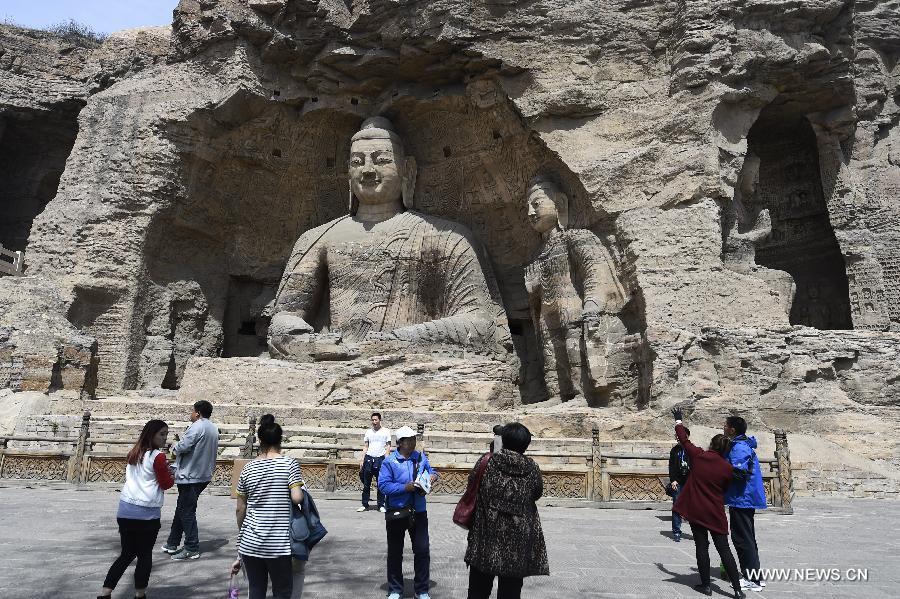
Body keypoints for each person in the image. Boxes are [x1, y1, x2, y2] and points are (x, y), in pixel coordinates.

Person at [465, 423, 549, 599]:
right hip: (517, 545)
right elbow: (537, 493)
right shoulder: (532, 468)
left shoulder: (486, 461)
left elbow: (472, 484)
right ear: (526, 444)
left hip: (485, 538)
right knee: (510, 593)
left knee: (477, 592)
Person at [671, 408, 745, 599]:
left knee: (701, 547)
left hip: (697, 511)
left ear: (712, 445)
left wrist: (679, 420)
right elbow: (727, 488)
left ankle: (706, 586)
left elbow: (684, 440)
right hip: (715, 513)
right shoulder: (727, 468)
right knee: (724, 549)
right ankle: (737, 589)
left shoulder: (699, 456)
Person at [98, 420, 174, 599]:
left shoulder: (134, 453)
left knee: (126, 554)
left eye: (166, 434)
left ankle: (106, 592)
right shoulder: (158, 456)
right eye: (162, 434)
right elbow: (165, 483)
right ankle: (140, 594)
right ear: (151, 435)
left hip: (125, 510)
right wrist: (172, 475)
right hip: (147, 513)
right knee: (145, 555)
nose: (165, 438)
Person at [232, 414, 305, 599]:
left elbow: (240, 508)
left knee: (256, 591)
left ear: (259, 440)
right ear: (280, 440)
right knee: (282, 591)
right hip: (279, 543)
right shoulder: (289, 464)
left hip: (251, 542)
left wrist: (242, 534)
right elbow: (297, 498)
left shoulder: (248, 468)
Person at [377, 425, 438, 599]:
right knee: (395, 552)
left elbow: (432, 471)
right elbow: (383, 486)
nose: (413, 443)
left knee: (422, 550)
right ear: (400, 443)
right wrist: (406, 487)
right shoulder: (389, 462)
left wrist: (433, 476)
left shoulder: (420, 457)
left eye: (414, 439)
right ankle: (395, 589)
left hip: (418, 511)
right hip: (398, 511)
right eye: (409, 440)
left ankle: (422, 589)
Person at [162, 400, 220, 560]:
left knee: (186, 510)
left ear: (198, 413)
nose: (191, 414)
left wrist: (174, 446)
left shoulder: (197, 426)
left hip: (191, 475)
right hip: (203, 474)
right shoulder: (213, 428)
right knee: (182, 507)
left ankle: (191, 546)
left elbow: (184, 446)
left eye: (192, 411)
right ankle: (172, 542)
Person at [724, 416, 767, 592]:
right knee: (747, 538)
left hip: (742, 498)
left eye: (725, 426)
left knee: (742, 539)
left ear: (733, 429)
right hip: (742, 498)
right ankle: (755, 576)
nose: (724, 428)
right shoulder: (742, 445)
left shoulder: (740, 447)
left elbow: (739, 473)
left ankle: (752, 580)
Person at [358, 412, 391, 513]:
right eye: (372, 420)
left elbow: (388, 447)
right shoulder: (368, 432)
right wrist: (362, 459)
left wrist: (387, 461)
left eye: (376, 420)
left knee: (380, 483)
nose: (374, 422)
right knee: (366, 483)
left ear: (380, 420)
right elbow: (366, 446)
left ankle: (381, 505)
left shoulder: (386, 431)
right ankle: (365, 504)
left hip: (380, 459)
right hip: (369, 458)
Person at [668, 426, 691, 542]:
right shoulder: (675, 450)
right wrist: (673, 480)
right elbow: (671, 467)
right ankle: (676, 531)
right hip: (678, 483)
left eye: (679, 435)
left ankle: (698, 531)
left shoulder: (691, 449)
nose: (677, 437)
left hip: (690, 483)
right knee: (676, 505)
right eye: (676, 435)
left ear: (686, 436)